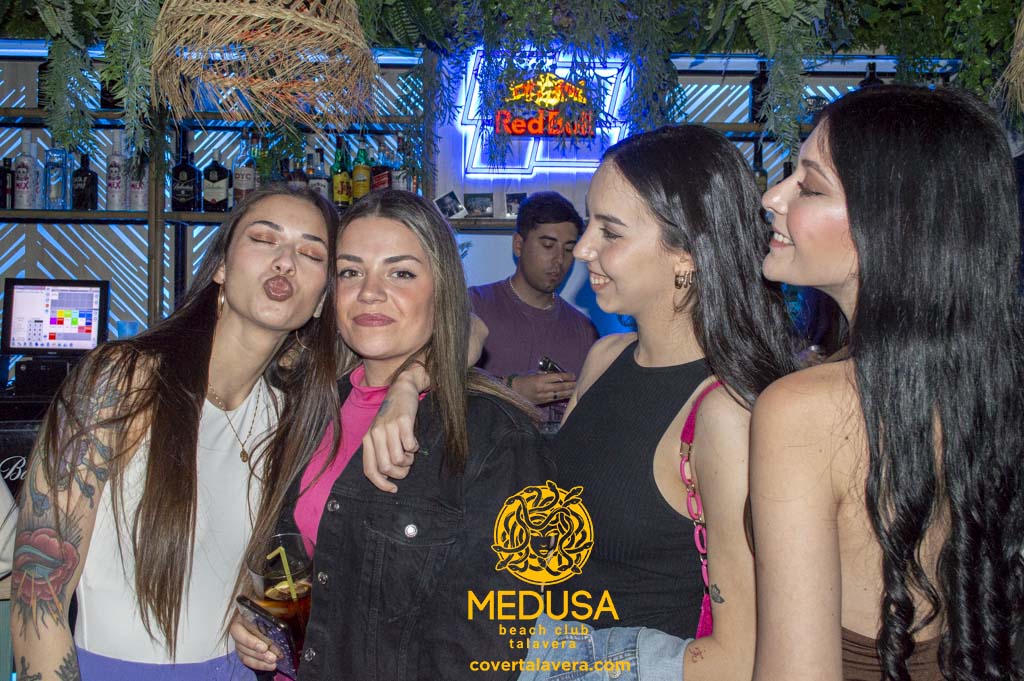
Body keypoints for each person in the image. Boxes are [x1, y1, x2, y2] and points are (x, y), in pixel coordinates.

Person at [11, 186, 341, 681]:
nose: (285, 261)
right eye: (263, 239)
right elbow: (38, 595)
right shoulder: (124, 380)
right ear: (221, 267)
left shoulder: (290, 416)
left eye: (311, 253)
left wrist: (250, 617)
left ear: (320, 301)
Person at [750, 86, 1024, 681]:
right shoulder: (995, 386)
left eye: (810, 187)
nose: (773, 197)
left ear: (893, 223)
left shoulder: (803, 409)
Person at [230, 189, 553, 680]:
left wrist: (412, 381)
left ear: (441, 290)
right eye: (350, 272)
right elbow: (293, 570)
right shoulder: (309, 405)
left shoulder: (496, 437)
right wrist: (259, 625)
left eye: (400, 273)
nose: (369, 292)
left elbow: (489, 650)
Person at [469, 191, 598, 424]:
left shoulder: (585, 331)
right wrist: (510, 389)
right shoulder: (473, 306)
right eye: (548, 245)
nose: (559, 260)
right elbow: (439, 385)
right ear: (519, 245)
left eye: (569, 249)